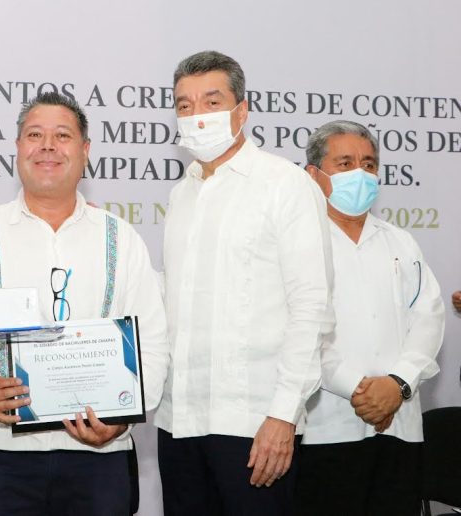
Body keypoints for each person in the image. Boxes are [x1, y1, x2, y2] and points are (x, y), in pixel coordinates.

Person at [0, 91, 170, 516]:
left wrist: (123, 417)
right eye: (35, 135)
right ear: (18, 147)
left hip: (100, 458)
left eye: (62, 136)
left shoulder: (120, 237)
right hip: (1, 457)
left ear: (85, 151)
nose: (47, 146)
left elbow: (153, 342)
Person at [155, 50, 333, 516]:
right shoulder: (181, 194)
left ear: (242, 110)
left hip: (255, 424)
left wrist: (283, 415)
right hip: (179, 421)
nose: (197, 115)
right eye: (185, 105)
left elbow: (312, 307)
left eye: (212, 102)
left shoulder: (284, 184)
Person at [296, 120, 445, 516]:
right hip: (324, 429)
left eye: (369, 164)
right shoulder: (298, 243)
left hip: (399, 425)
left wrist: (398, 384)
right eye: (345, 163)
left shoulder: (401, 241)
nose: (360, 174)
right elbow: (299, 330)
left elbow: (428, 318)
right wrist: (357, 389)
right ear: (314, 174)